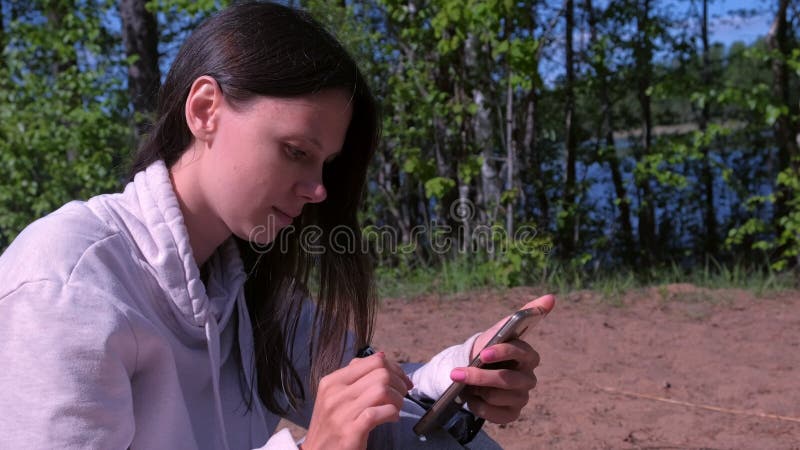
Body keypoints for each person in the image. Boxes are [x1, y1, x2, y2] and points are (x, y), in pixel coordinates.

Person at [0, 2, 555, 449]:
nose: (318, 190)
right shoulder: (67, 287)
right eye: (295, 151)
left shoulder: (238, 280)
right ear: (205, 109)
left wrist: (463, 375)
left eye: (325, 165)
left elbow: (361, 382)